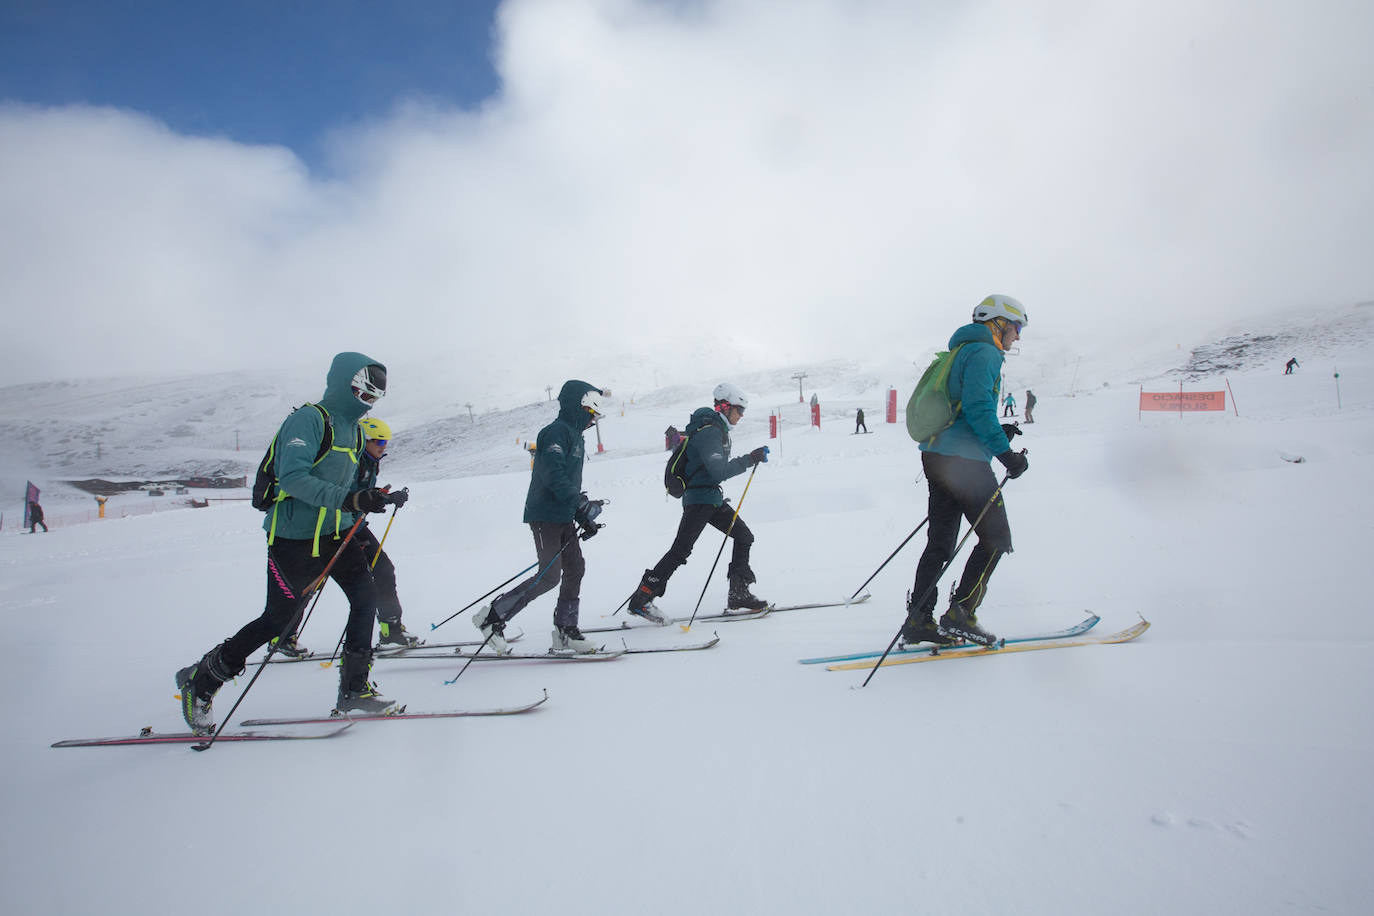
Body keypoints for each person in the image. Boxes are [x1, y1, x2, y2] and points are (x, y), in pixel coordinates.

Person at [174, 353, 407, 733]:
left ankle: (354, 688)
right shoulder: (309, 420)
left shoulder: (354, 430)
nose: (368, 401)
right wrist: (349, 499)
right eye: (362, 391)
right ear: (344, 383)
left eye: (374, 397)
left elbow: (345, 486)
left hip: (336, 534)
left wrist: (371, 498)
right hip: (294, 538)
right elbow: (293, 478)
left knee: (367, 599)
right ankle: (203, 680)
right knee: (278, 620)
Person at [899, 296, 1030, 649]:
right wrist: (1006, 455)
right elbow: (977, 405)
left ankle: (918, 619)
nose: (1017, 337)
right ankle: (962, 613)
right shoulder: (985, 353)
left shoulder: (961, 351)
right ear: (998, 323)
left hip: (937, 454)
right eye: (1016, 328)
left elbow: (964, 411)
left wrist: (995, 433)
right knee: (996, 537)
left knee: (940, 542)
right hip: (964, 462)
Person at [473, 380, 609, 655]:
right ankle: (492, 619)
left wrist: (581, 515)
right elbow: (552, 474)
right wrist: (578, 504)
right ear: (579, 405)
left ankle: (565, 631)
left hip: (562, 515)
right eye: (591, 414)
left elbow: (566, 481)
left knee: (575, 568)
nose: (592, 421)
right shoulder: (555, 432)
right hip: (544, 514)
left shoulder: (575, 435)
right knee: (549, 576)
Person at [625, 383, 771, 620]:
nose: (741, 415)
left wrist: (749, 459)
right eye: (739, 410)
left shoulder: (715, 430)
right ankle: (642, 597)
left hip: (710, 498)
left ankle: (738, 594)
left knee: (744, 536)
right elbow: (718, 471)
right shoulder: (710, 431)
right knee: (681, 550)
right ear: (726, 406)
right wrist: (749, 459)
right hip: (700, 500)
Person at [354, 417, 418, 648]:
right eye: (378, 442)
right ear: (364, 440)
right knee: (314, 580)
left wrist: (387, 497)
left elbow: (364, 493)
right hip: (339, 529)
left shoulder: (369, 461)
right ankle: (283, 634)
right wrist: (379, 497)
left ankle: (390, 629)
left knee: (383, 571)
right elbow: (349, 494)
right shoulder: (352, 461)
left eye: (386, 442)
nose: (383, 446)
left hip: (356, 527)